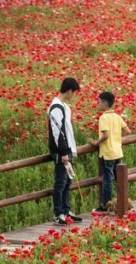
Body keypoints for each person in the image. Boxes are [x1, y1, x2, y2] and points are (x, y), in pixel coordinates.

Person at [48, 77, 82, 226]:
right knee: (60, 182)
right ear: (69, 91)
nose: (73, 96)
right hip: (62, 152)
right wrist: (63, 153)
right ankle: (58, 213)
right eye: (73, 92)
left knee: (68, 181)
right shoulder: (56, 107)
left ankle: (66, 210)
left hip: (68, 150)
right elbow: (58, 132)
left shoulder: (65, 107)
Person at [90, 91, 131, 212]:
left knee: (107, 179)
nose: (98, 104)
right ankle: (122, 202)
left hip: (108, 153)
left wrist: (96, 143)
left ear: (105, 103)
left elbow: (106, 135)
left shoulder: (104, 117)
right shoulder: (117, 116)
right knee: (119, 179)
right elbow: (127, 131)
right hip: (117, 151)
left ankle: (105, 205)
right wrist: (117, 138)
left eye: (99, 101)